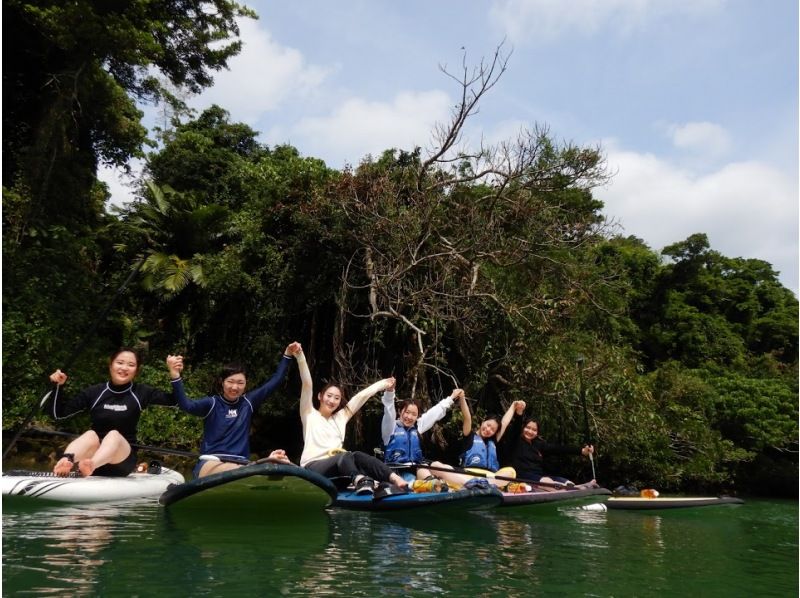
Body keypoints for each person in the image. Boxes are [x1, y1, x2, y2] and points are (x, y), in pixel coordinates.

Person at [45, 348, 182, 477]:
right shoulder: (94, 392)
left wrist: (174, 374)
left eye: (130, 364)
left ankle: (90, 465)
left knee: (113, 435)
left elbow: (177, 401)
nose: (124, 368)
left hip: (122, 461)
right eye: (120, 363)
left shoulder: (141, 392)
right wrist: (56, 386)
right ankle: (66, 460)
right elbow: (58, 414)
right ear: (111, 365)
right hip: (94, 454)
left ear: (136, 371)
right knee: (90, 434)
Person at [170, 342, 300, 479]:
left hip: (242, 464)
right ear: (222, 382)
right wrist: (175, 375)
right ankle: (261, 467)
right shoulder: (212, 403)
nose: (235, 387)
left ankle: (265, 465)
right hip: (212, 462)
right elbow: (186, 405)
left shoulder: (248, 402)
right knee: (243, 471)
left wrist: (287, 354)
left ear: (246, 384)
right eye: (230, 381)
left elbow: (276, 380)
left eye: (240, 383)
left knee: (263, 470)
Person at [297, 347, 408, 496]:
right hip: (312, 470)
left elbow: (361, 397)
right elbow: (307, 384)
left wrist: (384, 384)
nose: (332, 400)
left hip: (339, 473)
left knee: (358, 455)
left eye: (337, 398)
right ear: (319, 396)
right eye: (329, 396)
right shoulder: (309, 414)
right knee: (346, 455)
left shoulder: (340, 418)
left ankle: (394, 478)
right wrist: (300, 355)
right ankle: (360, 480)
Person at [380, 383, 465, 492]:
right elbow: (388, 411)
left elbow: (435, 412)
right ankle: (426, 485)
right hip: (396, 471)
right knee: (413, 476)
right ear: (400, 411)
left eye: (414, 414)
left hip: (416, 468)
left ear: (417, 416)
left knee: (432, 467)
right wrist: (390, 392)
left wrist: (452, 397)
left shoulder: (418, 426)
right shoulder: (390, 428)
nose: (409, 417)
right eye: (407, 412)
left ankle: (436, 482)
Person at [502, 400, 595, 487]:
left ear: (537, 432)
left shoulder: (538, 445)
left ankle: (580, 489)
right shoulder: (515, 440)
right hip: (522, 477)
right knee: (547, 482)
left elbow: (558, 449)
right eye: (528, 428)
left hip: (539, 477)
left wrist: (582, 450)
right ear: (523, 428)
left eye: (534, 430)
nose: (530, 431)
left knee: (567, 482)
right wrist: (519, 413)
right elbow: (516, 426)